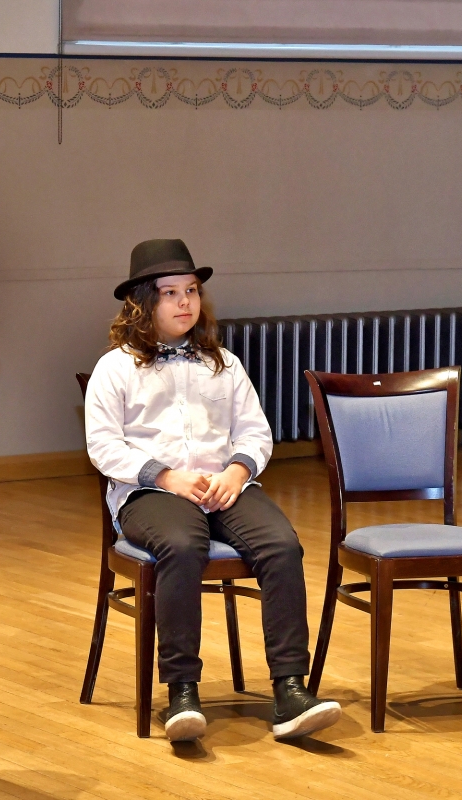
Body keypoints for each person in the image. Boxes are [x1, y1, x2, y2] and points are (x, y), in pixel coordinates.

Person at [84, 239, 340, 743]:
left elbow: (255, 433)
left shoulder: (223, 363)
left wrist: (238, 472)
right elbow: (103, 446)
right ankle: (182, 692)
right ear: (143, 302)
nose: (185, 302)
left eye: (192, 291)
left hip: (224, 486)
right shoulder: (115, 368)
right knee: (182, 546)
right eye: (170, 293)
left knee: (282, 546)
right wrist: (164, 475)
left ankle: (290, 689)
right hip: (151, 492)